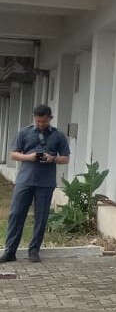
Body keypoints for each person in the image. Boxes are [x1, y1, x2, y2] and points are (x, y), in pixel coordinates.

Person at [1, 104, 70, 263]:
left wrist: (52, 158)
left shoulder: (58, 136)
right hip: (24, 180)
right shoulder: (24, 132)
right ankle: (10, 251)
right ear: (34, 118)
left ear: (50, 119)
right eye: (38, 121)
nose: (40, 124)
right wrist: (29, 157)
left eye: (43, 122)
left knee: (41, 217)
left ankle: (34, 251)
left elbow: (65, 158)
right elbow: (13, 154)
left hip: (45, 183)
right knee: (16, 214)